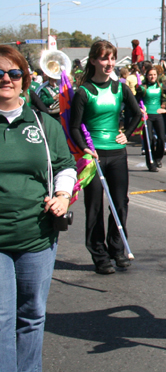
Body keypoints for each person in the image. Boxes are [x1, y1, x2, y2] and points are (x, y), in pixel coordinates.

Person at [0, 46, 77, 372]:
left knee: (32, 315)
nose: (6, 79)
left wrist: (62, 195)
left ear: (24, 79)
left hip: (37, 235)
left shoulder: (45, 124)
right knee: (1, 317)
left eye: (13, 73)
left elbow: (65, 166)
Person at [70, 40, 142, 274]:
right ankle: (99, 254)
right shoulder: (83, 92)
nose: (109, 63)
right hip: (94, 156)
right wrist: (85, 150)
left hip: (117, 153)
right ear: (93, 61)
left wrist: (127, 134)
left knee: (120, 203)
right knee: (94, 207)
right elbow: (74, 127)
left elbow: (138, 114)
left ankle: (117, 249)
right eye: (104, 58)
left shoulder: (121, 88)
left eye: (112, 58)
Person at [136, 65, 166, 171]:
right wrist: (140, 109)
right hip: (147, 116)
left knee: (162, 138)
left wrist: (165, 109)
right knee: (149, 140)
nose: (152, 77)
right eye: (150, 75)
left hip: (158, 115)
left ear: (157, 76)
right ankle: (150, 163)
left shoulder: (161, 86)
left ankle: (158, 158)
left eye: (154, 75)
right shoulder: (142, 88)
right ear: (146, 76)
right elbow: (135, 101)